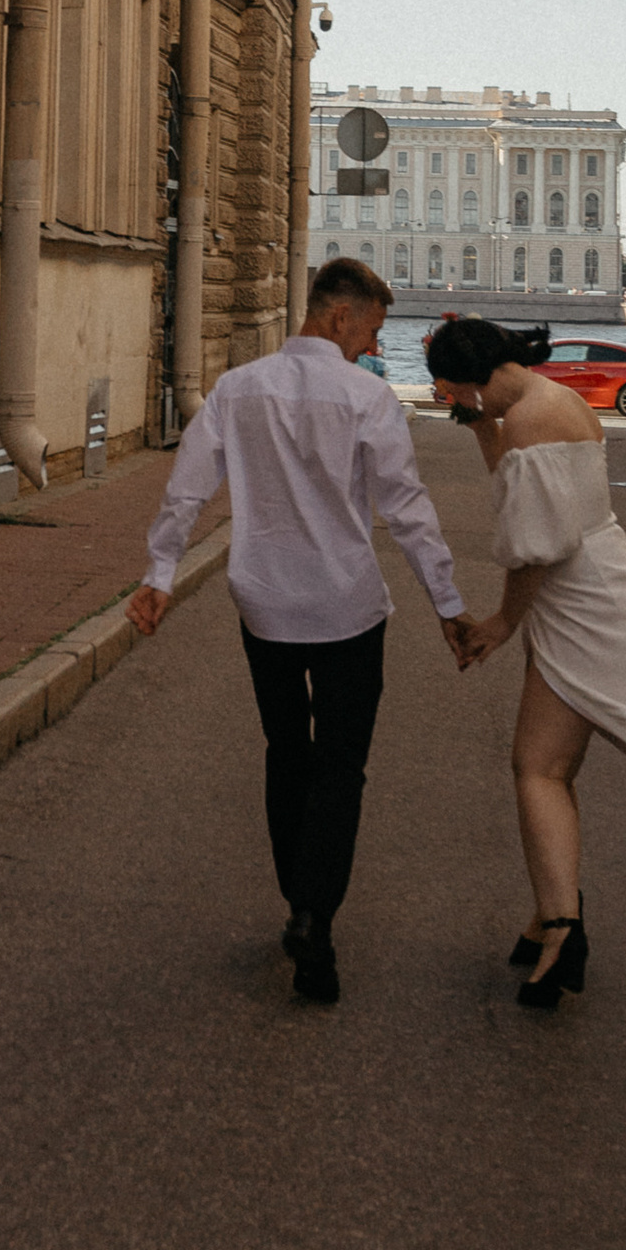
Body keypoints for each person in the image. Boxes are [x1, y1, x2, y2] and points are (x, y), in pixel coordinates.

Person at [129, 257, 466, 1008]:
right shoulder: (368, 399)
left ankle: (297, 901)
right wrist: (448, 606)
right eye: (369, 332)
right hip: (347, 609)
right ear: (338, 316)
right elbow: (406, 509)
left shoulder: (237, 389)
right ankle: (316, 913)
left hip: (266, 607)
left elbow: (187, 487)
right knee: (340, 769)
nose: (369, 347)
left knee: (287, 755)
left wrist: (159, 575)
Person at [426, 313, 626, 1012]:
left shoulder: (528, 421)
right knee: (551, 769)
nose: (449, 402)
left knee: (537, 768)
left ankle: (562, 929)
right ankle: (550, 915)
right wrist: (475, 418)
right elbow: (520, 490)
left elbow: (535, 544)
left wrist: (502, 623)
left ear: (470, 380)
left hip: (583, 604)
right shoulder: (544, 402)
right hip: (589, 597)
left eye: (450, 391)